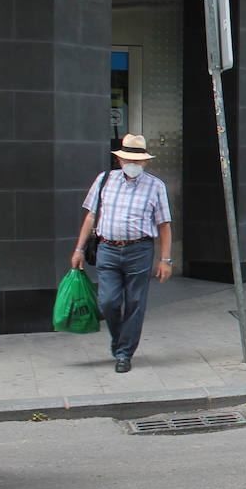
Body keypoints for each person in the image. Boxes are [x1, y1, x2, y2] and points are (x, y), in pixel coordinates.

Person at [70, 134, 172, 373]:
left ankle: (124, 352)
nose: (132, 165)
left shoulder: (156, 186)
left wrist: (165, 260)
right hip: (108, 249)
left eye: (138, 161)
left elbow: (164, 224)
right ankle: (119, 342)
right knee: (108, 301)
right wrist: (78, 249)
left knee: (135, 302)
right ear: (119, 160)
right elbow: (91, 216)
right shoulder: (105, 180)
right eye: (128, 160)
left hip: (140, 249)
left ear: (145, 162)